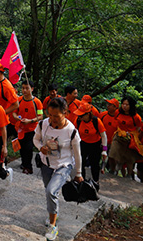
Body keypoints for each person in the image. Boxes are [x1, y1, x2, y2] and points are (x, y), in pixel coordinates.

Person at [34, 97, 83, 241]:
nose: (52, 119)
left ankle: (53, 226)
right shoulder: (43, 124)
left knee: (51, 191)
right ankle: (53, 214)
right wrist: (40, 148)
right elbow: (36, 139)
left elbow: (77, 153)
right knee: (49, 191)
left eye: (56, 116)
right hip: (46, 163)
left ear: (65, 113)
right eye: (50, 115)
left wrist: (78, 173)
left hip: (63, 166)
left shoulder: (71, 131)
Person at [12, 80, 42, 174]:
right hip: (20, 128)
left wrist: (30, 120)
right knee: (22, 147)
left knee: (28, 148)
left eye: (27, 88)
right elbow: (14, 112)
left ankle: (28, 167)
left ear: (32, 89)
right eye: (23, 88)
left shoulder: (37, 102)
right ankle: (24, 163)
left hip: (32, 129)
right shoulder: (19, 100)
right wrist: (17, 118)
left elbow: (40, 116)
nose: (24, 90)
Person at [72, 102, 107, 184]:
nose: (79, 117)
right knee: (81, 163)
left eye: (81, 115)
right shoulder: (78, 120)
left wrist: (104, 150)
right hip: (83, 143)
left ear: (88, 114)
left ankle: (95, 182)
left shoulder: (96, 121)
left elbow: (104, 136)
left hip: (95, 145)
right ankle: (82, 182)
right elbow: (73, 132)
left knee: (94, 164)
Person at [109, 96, 143, 179]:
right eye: (123, 104)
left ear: (131, 106)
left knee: (129, 158)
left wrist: (134, 136)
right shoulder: (118, 112)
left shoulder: (136, 117)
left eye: (127, 104)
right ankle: (113, 170)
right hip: (119, 135)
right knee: (112, 153)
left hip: (130, 138)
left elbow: (138, 128)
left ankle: (129, 174)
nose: (124, 106)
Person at [100, 98, 119, 173]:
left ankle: (112, 171)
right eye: (108, 104)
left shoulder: (119, 118)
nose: (108, 106)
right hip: (102, 141)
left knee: (112, 158)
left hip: (113, 142)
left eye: (110, 105)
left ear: (115, 107)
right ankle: (101, 168)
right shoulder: (102, 115)